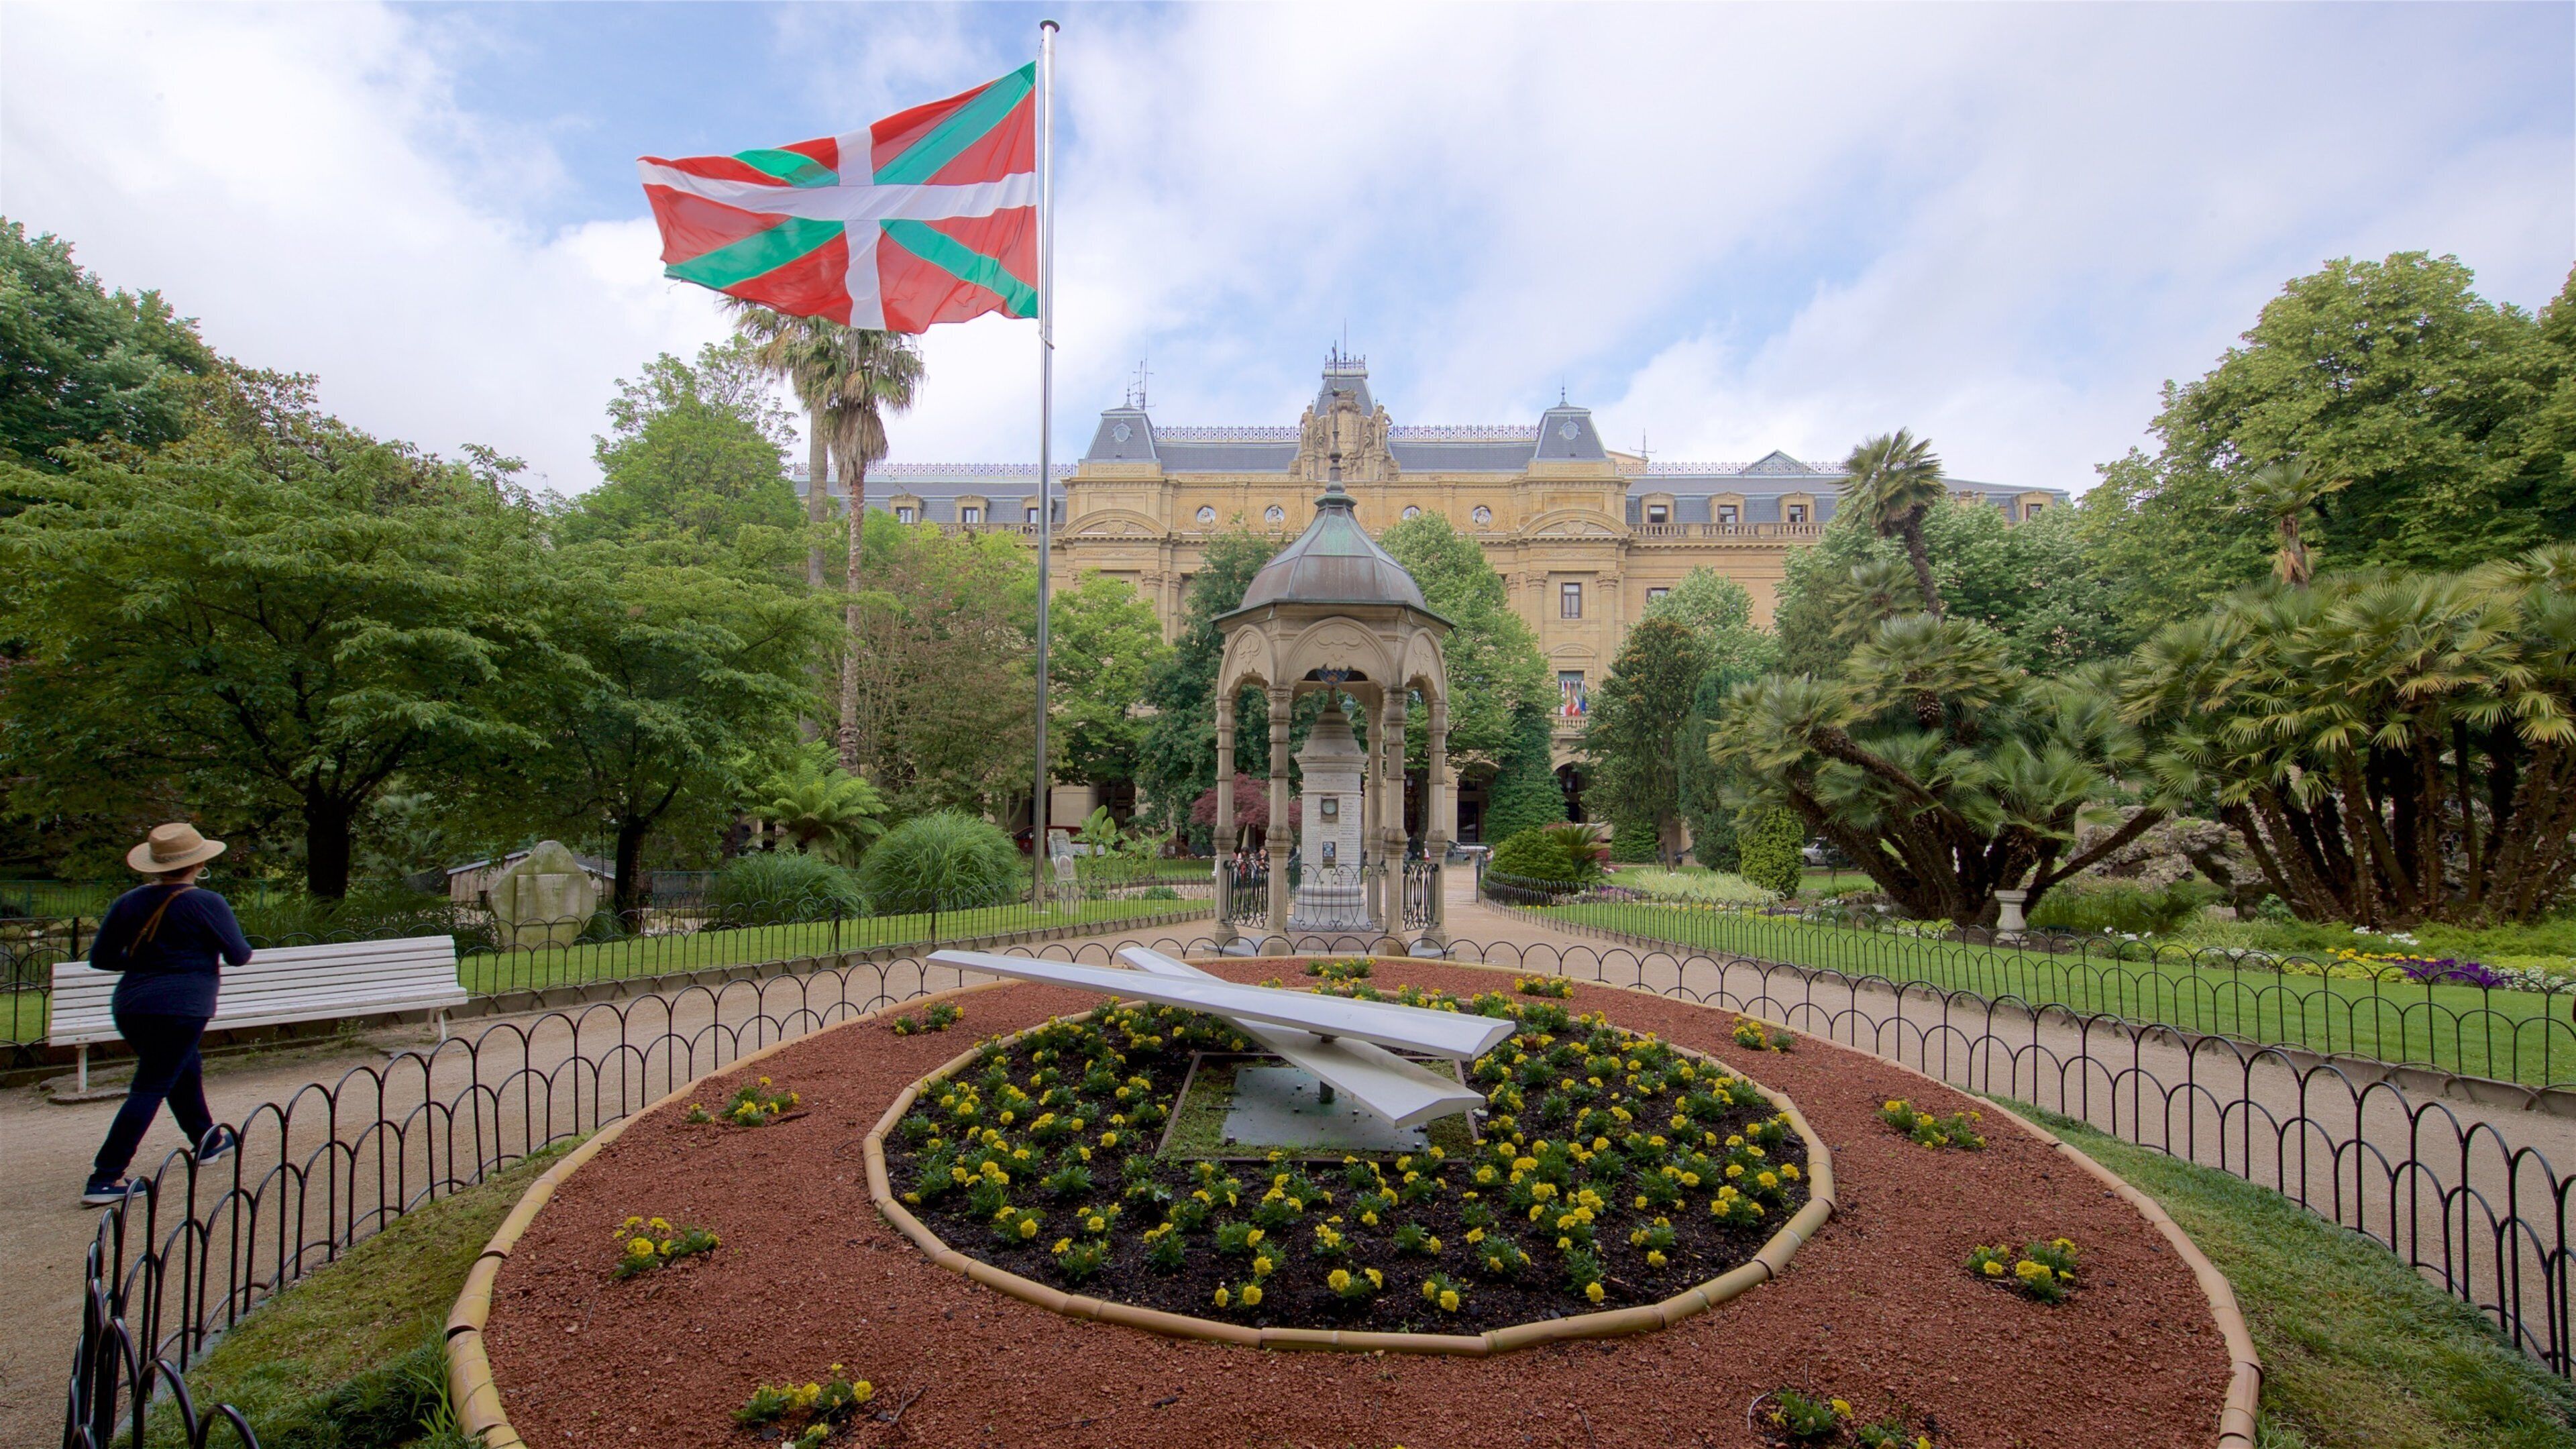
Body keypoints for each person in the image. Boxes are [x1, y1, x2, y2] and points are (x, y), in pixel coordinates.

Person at [80, 822, 254, 1205]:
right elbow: (239, 955)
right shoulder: (206, 902)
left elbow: (102, 958)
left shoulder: (129, 902)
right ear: (199, 863)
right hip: (181, 1008)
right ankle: (105, 1177)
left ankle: (207, 1141)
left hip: (132, 1005)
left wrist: (148, 962)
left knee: (184, 1067)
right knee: (150, 1086)